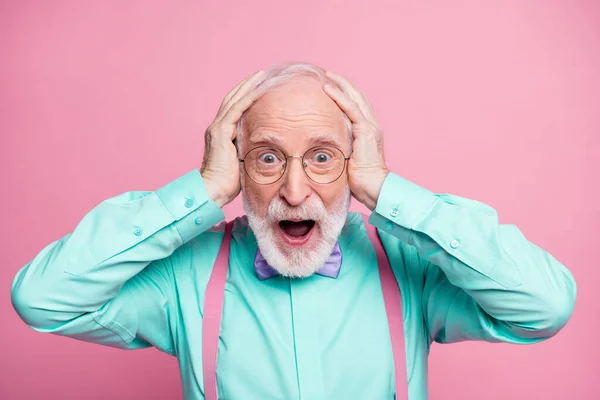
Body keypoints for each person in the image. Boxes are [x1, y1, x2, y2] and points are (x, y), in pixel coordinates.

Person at [11, 62, 577, 400]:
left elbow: (544, 305)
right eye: (267, 159)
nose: (295, 191)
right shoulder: (187, 276)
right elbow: (43, 299)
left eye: (322, 158)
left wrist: (388, 191)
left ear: (356, 164)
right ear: (237, 168)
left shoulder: (408, 269)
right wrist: (202, 191)